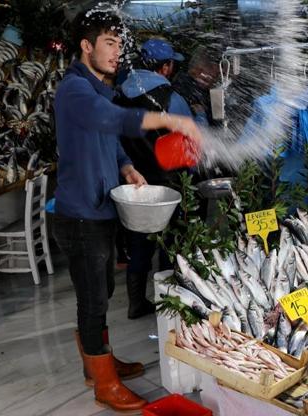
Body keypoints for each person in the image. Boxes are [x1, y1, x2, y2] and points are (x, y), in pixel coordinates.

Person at [52, 10, 202, 412]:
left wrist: (125, 164)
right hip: (79, 213)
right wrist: (171, 119)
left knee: (103, 290)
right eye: (109, 44)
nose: (118, 53)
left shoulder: (99, 87)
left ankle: (99, 361)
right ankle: (103, 382)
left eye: (120, 45)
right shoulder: (75, 91)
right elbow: (114, 119)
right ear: (87, 46)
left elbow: (110, 135)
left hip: (100, 209)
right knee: (93, 299)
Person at [115, 38, 203, 319]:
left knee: (139, 242)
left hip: (134, 185)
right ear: (165, 67)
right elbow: (191, 144)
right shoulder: (170, 99)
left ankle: (136, 302)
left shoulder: (118, 94)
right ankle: (168, 304)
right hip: (168, 184)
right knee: (170, 243)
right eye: (172, 64)